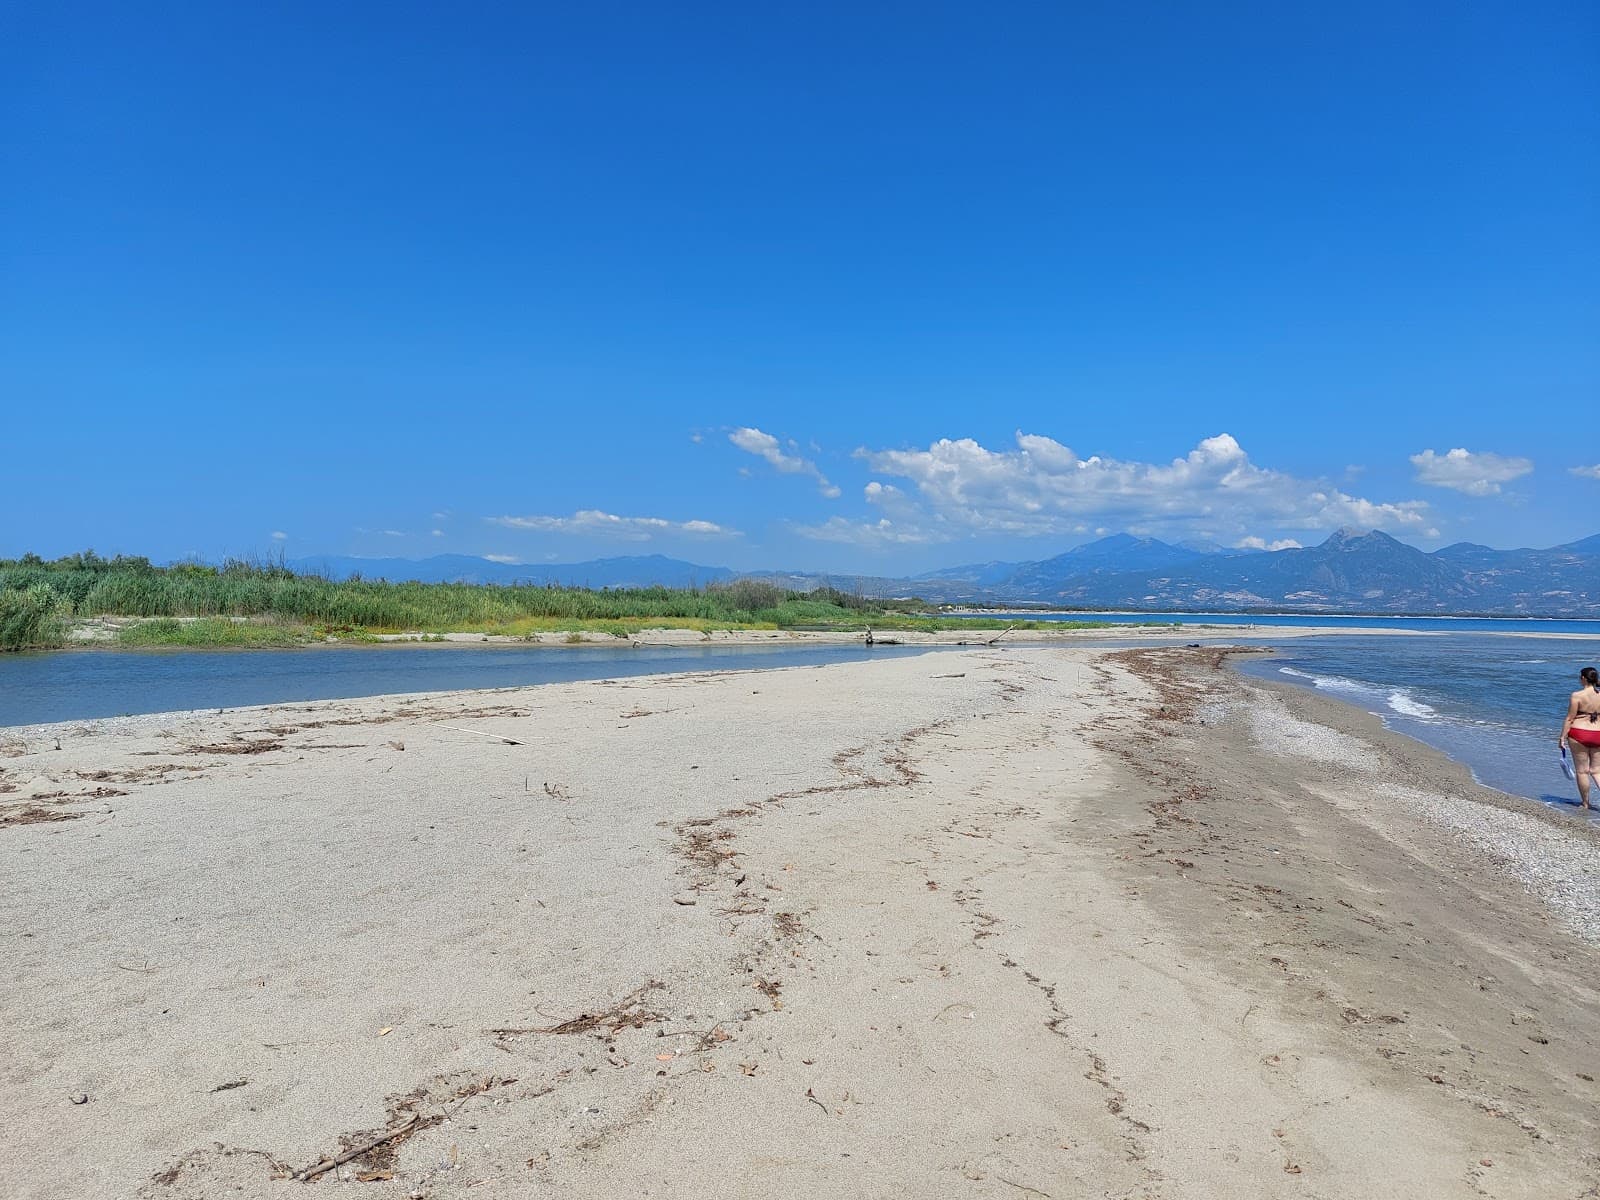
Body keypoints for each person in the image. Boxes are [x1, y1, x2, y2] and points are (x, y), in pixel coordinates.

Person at [1558, 666, 1600, 810]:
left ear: (1583, 678)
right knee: (1597, 771)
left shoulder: (1577, 695)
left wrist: (1562, 737)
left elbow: (1570, 718)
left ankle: (1585, 803)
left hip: (1579, 733)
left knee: (1582, 771)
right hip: (1597, 733)